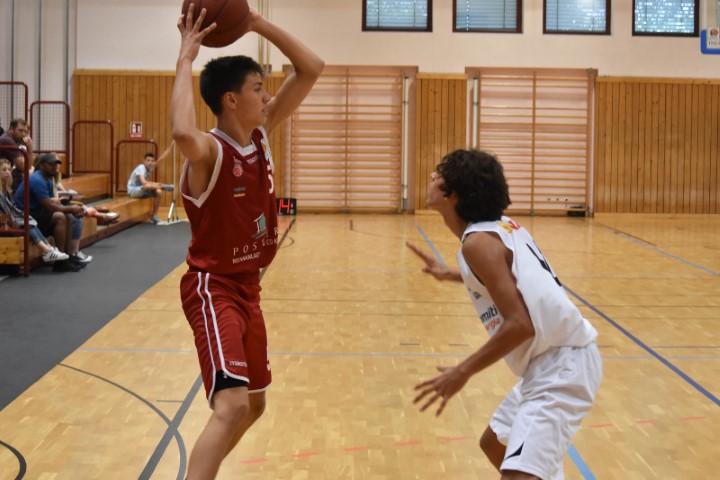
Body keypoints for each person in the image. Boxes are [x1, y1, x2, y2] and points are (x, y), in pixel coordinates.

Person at [170, 5, 323, 479]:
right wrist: (185, 58)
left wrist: (255, 22)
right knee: (232, 404)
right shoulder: (209, 150)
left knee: (254, 405)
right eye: (258, 88)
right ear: (231, 100)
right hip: (213, 288)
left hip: (248, 289)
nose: (268, 95)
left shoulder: (261, 133)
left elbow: (312, 68)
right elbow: (180, 130)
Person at [408, 149, 602, 480]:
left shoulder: (477, 244)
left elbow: (520, 325)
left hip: (563, 367)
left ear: (453, 194)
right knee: (494, 444)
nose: (431, 178)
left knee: (518, 474)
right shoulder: (496, 228)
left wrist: (462, 372)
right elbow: (510, 278)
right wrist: (453, 274)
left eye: (438, 174)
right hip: (552, 364)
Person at [13, 153, 89, 272]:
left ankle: (66, 257)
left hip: (35, 211)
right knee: (60, 217)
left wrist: (73, 208)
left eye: (56, 164)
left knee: (68, 216)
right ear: (42, 166)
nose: (54, 167)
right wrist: (72, 208)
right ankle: (60, 262)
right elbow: (50, 206)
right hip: (23, 215)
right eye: (51, 164)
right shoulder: (37, 179)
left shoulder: (47, 178)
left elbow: (52, 202)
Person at [0, 158, 69, 263]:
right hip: (3, 222)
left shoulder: (5, 190)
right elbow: (8, 210)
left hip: (8, 218)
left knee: (27, 219)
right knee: (25, 221)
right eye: (4, 170)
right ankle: (47, 250)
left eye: (9, 170)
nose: (8, 172)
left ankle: (48, 249)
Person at [126, 145, 175, 224]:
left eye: (152, 161)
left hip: (143, 190)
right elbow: (143, 182)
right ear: (144, 161)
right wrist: (158, 184)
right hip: (133, 191)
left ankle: (154, 216)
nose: (150, 162)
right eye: (148, 160)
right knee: (148, 185)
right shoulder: (141, 167)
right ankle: (164, 186)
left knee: (158, 191)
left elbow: (162, 158)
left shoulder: (151, 167)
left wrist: (171, 147)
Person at [0, 118, 34, 191]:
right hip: (2, 176)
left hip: (4, 176)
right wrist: (30, 146)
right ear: (11, 129)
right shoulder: (7, 140)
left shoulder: (15, 140)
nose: (23, 134)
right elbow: (24, 167)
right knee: (19, 174)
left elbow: (28, 166)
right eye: (20, 130)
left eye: (25, 132)